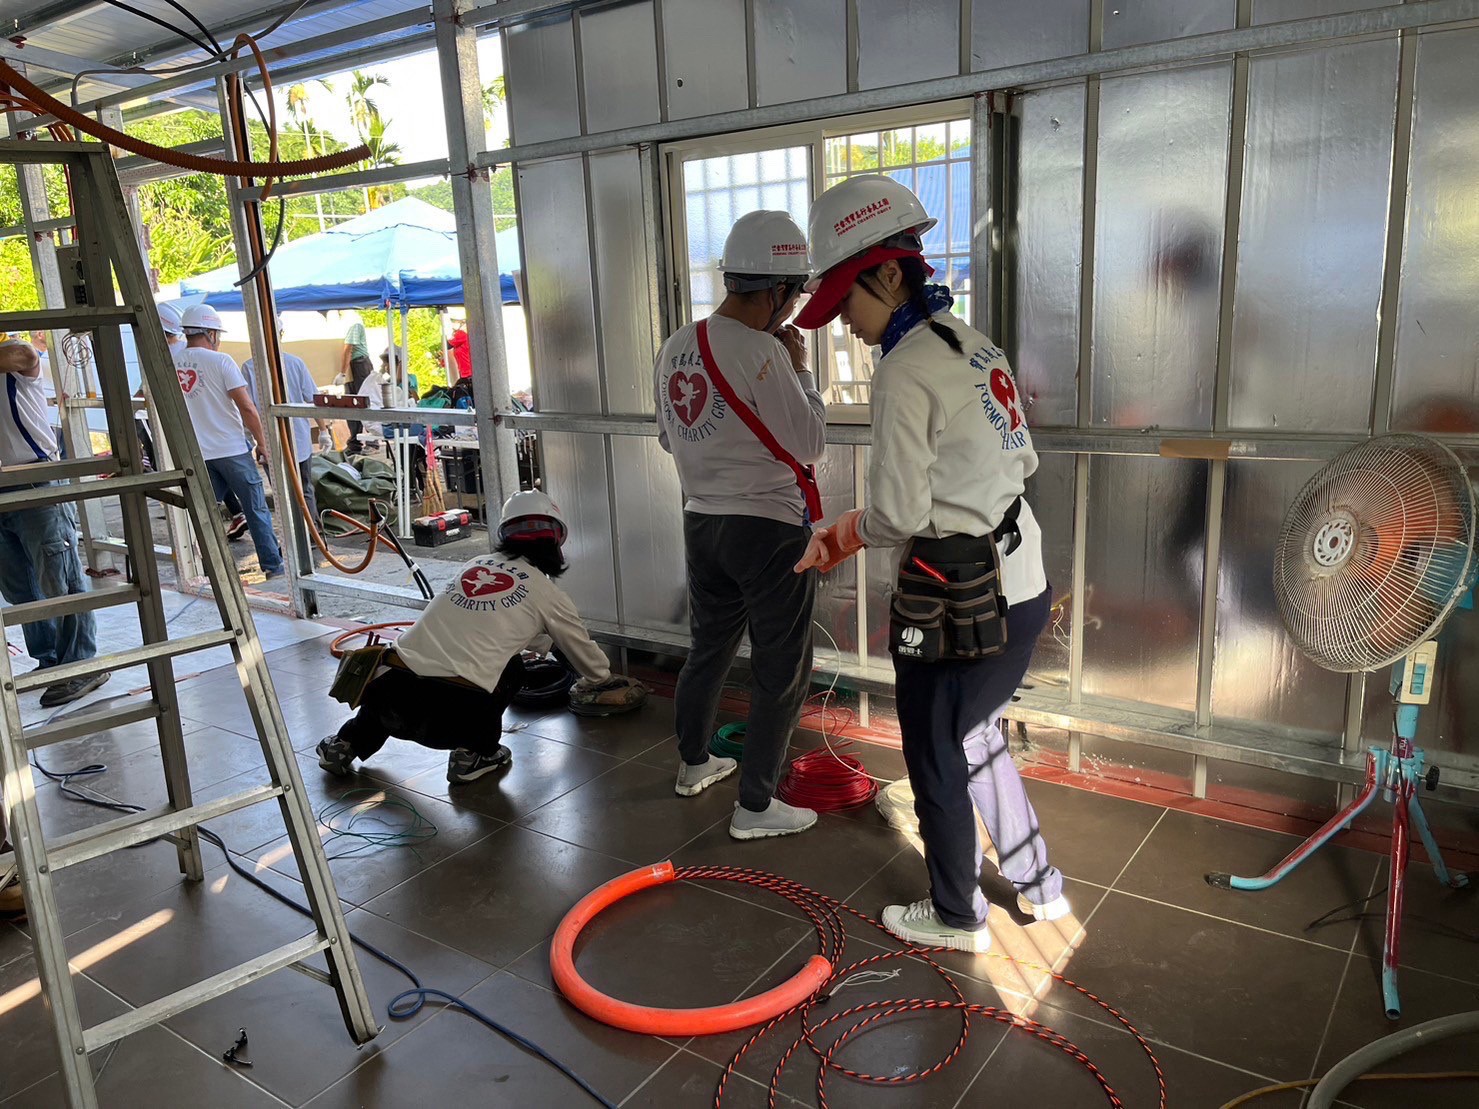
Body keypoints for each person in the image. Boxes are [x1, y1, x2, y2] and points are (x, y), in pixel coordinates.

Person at [794, 175, 1066, 952]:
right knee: (974, 732)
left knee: (936, 747)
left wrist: (840, 532)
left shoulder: (906, 367)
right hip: (1021, 578)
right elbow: (1018, 458)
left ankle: (956, 914)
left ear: (887, 274)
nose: (845, 324)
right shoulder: (972, 342)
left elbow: (898, 515)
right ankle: (1038, 883)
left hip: (961, 595)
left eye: (847, 301)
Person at [654, 210, 826, 841]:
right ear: (777, 289)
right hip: (769, 529)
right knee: (782, 667)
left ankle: (694, 763)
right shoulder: (763, 350)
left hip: (702, 523)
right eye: (795, 293)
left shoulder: (676, 344)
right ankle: (756, 805)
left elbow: (670, 440)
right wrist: (802, 371)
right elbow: (809, 441)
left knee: (709, 650)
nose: (794, 307)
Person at [317, 491, 646, 784]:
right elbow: (585, 656)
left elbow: (495, 622)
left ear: (504, 534)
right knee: (512, 668)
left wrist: (544, 641)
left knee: (402, 683)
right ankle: (475, 754)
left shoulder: (474, 565)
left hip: (386, 695)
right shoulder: (547, 594)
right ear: (557, 539)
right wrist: (601, 679)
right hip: (450, 718)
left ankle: (344, 744)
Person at [0, 339, 107, 708]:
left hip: (35, 480)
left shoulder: (14, 359)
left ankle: (80, 664)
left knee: (60, 578)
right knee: (20, 587)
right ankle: (49, 661)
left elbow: (26, 354)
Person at [173, 304, 284, 579]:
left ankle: (210, 569)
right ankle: (272, 565)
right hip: (232, 449)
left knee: (206, 515)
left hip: (197, 452)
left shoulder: (172, 363)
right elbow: (246, 407)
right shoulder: (221, 361)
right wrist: (262, 442)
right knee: (255, 509)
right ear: (210, 333)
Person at [242, 316, 332, 530]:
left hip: (270, 441)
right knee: (304, 489)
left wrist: (251, 437)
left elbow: (247, 408)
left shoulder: (250, 367)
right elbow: (314, 399)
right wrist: (323, 430)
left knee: (282, 493)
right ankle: (312, 533)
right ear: (280, 335)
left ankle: (298, 534)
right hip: (291, 440)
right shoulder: (293, 363)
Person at [340, 314, 373, 454]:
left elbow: (348, 348)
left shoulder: (354, 323)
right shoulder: (346, 326)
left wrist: (342, 373)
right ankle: (354, 443)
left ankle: (372, 442)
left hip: (359, 364)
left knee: (365, 402)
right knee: (350, 404)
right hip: (352, 366)